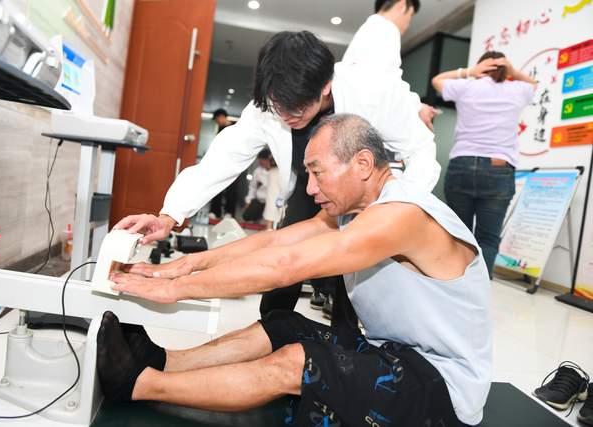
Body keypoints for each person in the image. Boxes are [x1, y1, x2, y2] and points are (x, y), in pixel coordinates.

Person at [98, 114, 492, 427]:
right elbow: (274, 243)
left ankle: (139, 385)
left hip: (441, 391)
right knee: (283, 324)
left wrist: (175, 289)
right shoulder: (354, 212)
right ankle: (163, 360)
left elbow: (285, 265)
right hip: (391, 354)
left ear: (362, 164)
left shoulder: (403, 214)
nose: (310, 189)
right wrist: (180, 267)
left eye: (318, 173)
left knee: (298, 362)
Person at [113, 31, 439, 327]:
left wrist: (392, 211)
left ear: (325, 86)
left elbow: (422, 151)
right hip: (304, 190)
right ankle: (272, 328)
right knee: (280, 268)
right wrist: (169, 215)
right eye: (277, 106)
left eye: (295, 109)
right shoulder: (269, 106)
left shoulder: (371, 91)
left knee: (353, 286)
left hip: (367, 195)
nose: (284, 115)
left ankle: (343, 337)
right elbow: (223, 158)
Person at [431, 51, 536, 277]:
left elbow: (436, 80)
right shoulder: (517, 89)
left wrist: (469, 72)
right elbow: (533, 85)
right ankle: (480, 290)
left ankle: (455, 286)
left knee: (459, 235)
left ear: (481, 68)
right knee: (488, 239)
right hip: (499, 169)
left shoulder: (467, 86)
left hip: (462, 165)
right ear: (506, 70)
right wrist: (513, 71)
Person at [343, 0, 438, 131]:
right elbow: (388, 81)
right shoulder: (386, 28)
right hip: (361, 126)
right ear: (402, 5)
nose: (408, 24)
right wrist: (419, 107)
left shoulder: (370, 28)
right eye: (410, 16)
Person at [209, 108, 239, 218]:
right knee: (217, 186)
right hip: (221, 162)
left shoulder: (237, 127)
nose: (217, 122)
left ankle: (229, 213)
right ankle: (215, 212)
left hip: (235, 162)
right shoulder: (220, 130)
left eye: (217, 120)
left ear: (221, 117)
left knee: (232, 188)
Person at [242, 149, 273, 222]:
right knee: (246, 216)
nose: (260, 162)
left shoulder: (276, 172)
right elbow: (252, 187)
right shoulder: (258, 171)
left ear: (267, 160)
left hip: (270, 202)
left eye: (262, 160)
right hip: (259, 201)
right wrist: (248, 201)